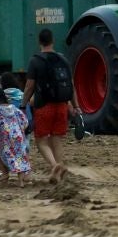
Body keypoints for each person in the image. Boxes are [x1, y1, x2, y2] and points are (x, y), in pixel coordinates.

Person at [24, 28, 75, 184]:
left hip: (44, 106)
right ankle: (61, 174)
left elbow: (29, 86)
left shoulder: (35, 61)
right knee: (56, 140)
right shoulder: (63, 60)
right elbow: (72, 86)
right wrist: (75, 106)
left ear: (39, 42)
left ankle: (55, 166)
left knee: (41, 141)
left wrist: (23, 104)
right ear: (52, 41)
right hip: (61, 106)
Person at [0, 87, 32, 183]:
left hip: (5, 138)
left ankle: (5, 173)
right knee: (19, 156)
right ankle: (21, 182)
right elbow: (25, 121)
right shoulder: (14, 108)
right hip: (18, 136)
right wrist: (21, 132)